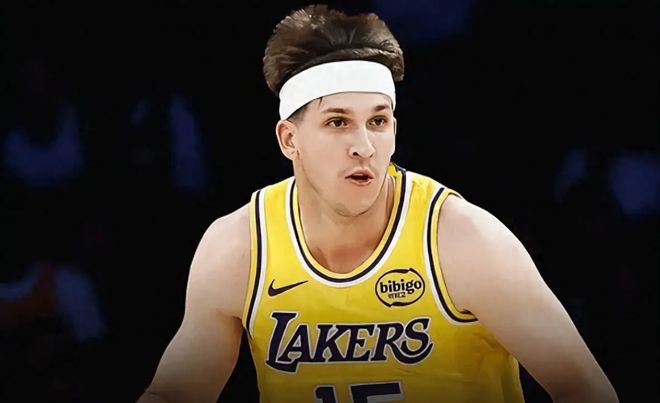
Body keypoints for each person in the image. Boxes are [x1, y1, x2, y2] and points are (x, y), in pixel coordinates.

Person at [137, 4, 618, 403]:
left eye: (378, 121)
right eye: (338, 122)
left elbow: (585, 390)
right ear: (289, 139)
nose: (364, 146)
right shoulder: (239, 247)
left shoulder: (463, 240)